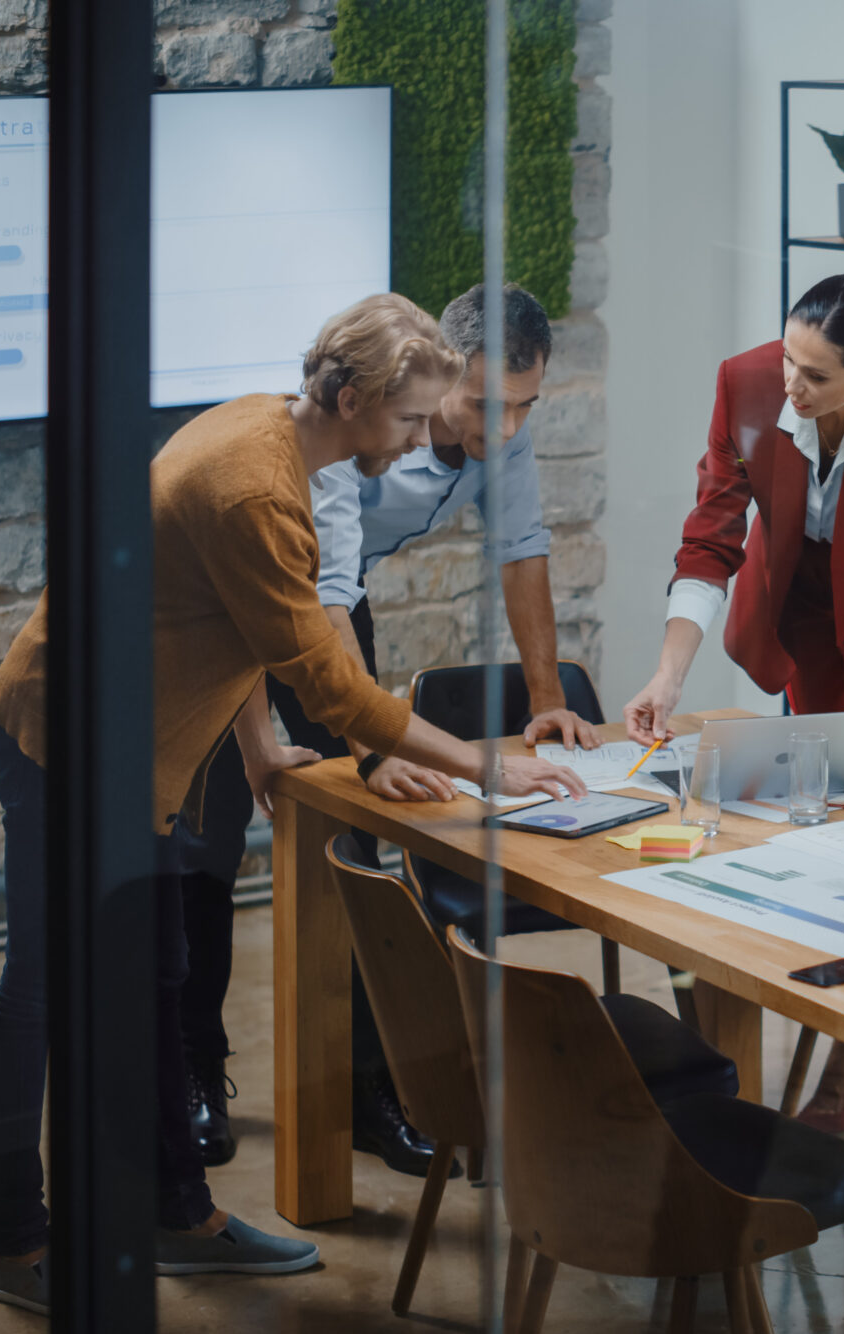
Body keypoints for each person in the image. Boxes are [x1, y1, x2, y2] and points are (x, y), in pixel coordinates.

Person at [0, 294, 584, 1315]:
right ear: (350, 399)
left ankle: (178, 1215)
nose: (413, 442)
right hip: (70, 740)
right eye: (401, 421)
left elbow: (227, 622)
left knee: (161, 974)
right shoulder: (262, 489)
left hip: (144, 746)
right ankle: (17, 1242)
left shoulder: (271, 429)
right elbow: (329, 678)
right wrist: (490, 767)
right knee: (42, 991)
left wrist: (260, 744)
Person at [173, 282, 597, 1178]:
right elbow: (316, 606)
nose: (506, 428)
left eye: (524, 405)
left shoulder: (500, 430)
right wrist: (370, 747)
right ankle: (194, 1076)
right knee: (205, 848)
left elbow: (520, 551)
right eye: (485, 404)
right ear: (437, 375)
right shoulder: (337, 440)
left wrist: (548, 697)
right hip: (272, 599)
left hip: (337, 604)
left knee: (355, 850)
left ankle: (370, 1091)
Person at [622, 272, 844, 1130]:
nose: (791, 385)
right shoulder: (746, 381)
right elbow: (711, 537)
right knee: (817, 806)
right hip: (802, 606)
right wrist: (668, 677)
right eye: (789, 358)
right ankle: (810, 1001)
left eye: (815, 377)